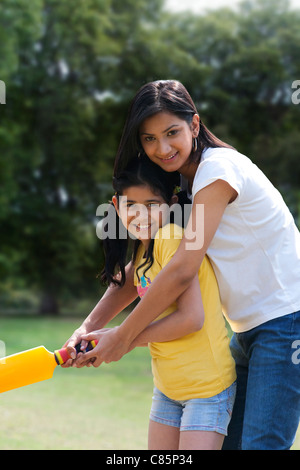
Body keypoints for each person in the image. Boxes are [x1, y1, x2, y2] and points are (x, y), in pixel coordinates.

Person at [65, 80, 300, 450]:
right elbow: (146, 266)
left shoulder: (217, 171)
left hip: (286, 321)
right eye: (149, 139)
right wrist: (88, 327)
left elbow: (181, 269)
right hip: (246, 328)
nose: (162, 148)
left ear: (194, 125)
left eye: (172, 132)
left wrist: (123, 338)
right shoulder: (181, 187)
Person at [69, 157, 236, 450]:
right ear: (116, 205)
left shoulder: (170, 238)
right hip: (168, 389)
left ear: (171, 204)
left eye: (151, 205)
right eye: (130, 205)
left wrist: (123, 339)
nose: (140, 215)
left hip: (206, 389)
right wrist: (84, 333)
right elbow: (125, 287)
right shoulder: (148, 249)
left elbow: (191, 318)